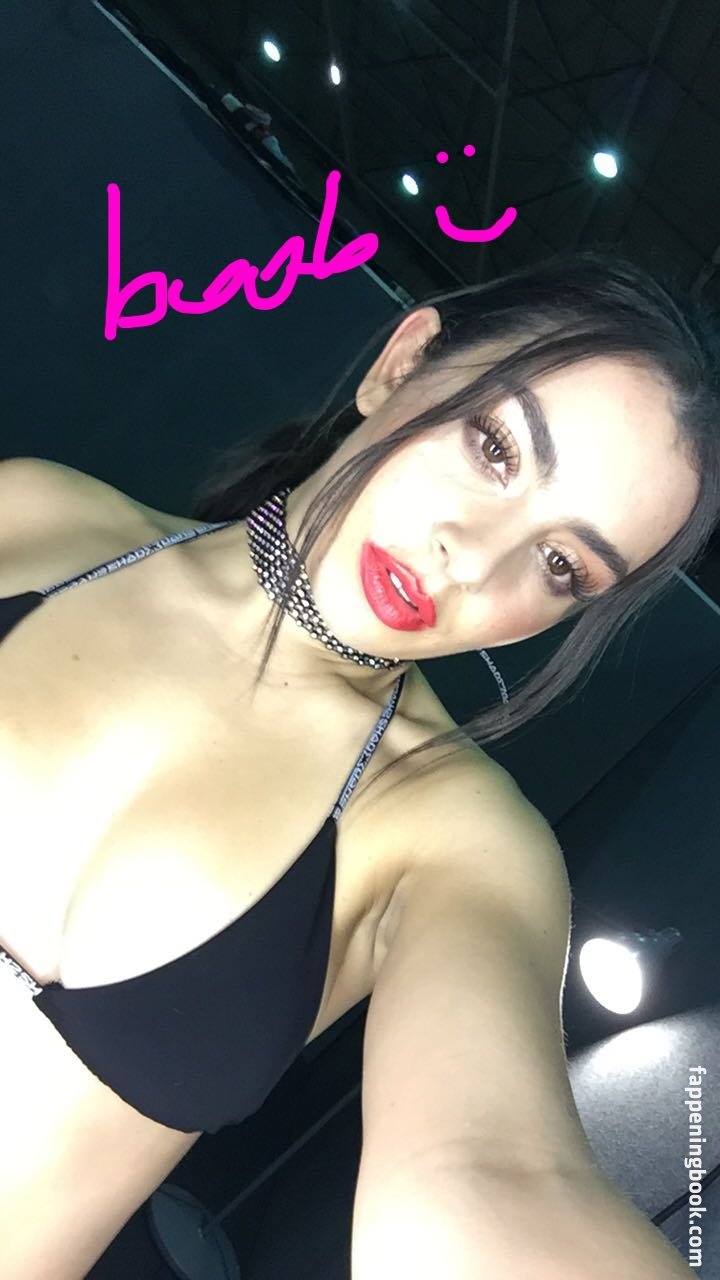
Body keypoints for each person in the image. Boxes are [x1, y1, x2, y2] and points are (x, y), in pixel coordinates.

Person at [0, 248, 717, 1278]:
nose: (473, 556)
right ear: (402, 361)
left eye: (560, 563)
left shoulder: (455, 841)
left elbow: (491, 1174)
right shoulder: (33, 519)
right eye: (495, 447)